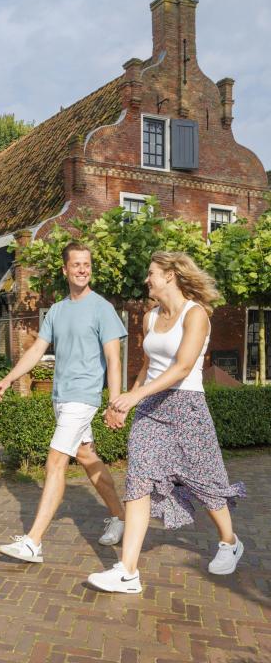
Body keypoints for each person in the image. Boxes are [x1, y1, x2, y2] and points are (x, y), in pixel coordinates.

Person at [88, 251, 246, 594]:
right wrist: (126, 403)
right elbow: (148, 366)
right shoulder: (150, 316)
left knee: (205, 481)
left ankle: (229, 541)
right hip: (150, 409)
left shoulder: (196, 314)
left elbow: (183, 367)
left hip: (187, 406)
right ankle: (128, 571)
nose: (147, 280)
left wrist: (134, 397)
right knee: (139, 479)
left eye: (152, 273)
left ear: (170, 275)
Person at [0, 241, 128, 563]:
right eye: (77, 264)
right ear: (65, 269)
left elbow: (114, 358)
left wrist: (115, 401)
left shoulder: (102, 308)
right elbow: (38, 350)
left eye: (87, 264)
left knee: (55, 462)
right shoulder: (57, 310)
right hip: (61, 397)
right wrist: (10, 378)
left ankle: (33, 542)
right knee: (86, 457)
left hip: (83, 397)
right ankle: (121, 517)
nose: (83, 269)